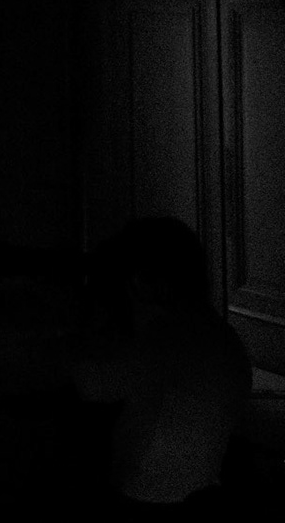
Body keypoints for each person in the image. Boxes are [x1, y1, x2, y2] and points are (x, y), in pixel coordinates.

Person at [72, 216, 252, 514]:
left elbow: (92, 385)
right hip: (200, 485)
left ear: (145, 279)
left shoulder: (167, 336)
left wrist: (87, 328)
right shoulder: (216, 331)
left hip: (148, 493)